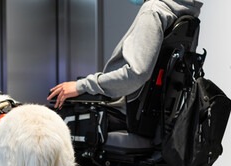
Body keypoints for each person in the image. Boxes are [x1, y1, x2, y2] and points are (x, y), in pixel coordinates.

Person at [47, 0, 203, 130]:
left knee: (44, 122)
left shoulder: (153, 11)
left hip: (124, 115)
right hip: (156, 121)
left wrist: (82, 86)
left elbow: (136, 74)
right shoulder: (186, 16)